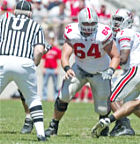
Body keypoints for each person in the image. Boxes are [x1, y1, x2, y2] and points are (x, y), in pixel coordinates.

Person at [44, 7, 120, 137]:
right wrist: (67, 68)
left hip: (100, 72)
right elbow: (65, 55)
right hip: (79, 69)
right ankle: (53, 125)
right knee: (64, 96)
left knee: (102, 106)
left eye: (92, 24)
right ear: (79, 23)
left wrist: (110, 70)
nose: (89, 27)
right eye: (86, 24)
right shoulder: (72, 32)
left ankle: (102, 127)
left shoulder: (103, 33)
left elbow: (116, 56)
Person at [0, 0, 47, 141]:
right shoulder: (35, 25)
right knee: (33, 99)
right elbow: (39, 50)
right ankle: (41, 134)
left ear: (14, 11)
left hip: (3, 60)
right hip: (24, 62)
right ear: (30, 13)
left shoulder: (3, 21)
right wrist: (35, 63)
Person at [91, 8, 140, 138]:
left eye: (119, 20)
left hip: (135, 69)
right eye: (115, 19)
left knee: (110, 96)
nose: (116, 22)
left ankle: (123, 125)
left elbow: (123, 58)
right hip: (136, 69)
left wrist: (111, 67)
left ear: (127, 21)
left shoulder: (125, 33)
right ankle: (122, 124)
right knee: (131, 104)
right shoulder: (133, 33)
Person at [42, 32, 61, 101]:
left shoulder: (57, 50)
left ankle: (56, 97)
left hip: (54, 69)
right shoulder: (46, 49)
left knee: (55, 85)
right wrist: (43, 68)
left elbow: (59, 60)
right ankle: (44, 97)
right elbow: (43, 60)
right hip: (46, 69)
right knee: (44, 84)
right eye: (50, 39)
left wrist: (57, 69)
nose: (51, 41)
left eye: (52, 39)